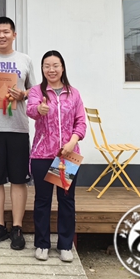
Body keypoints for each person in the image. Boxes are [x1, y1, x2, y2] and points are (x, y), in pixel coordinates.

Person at [0, 16, 35, 250]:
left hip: (18, 128)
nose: (2, 35)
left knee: (19, 179)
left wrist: (24, 94)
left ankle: (17, 227)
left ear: (14, 34)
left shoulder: (25, 60)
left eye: (6, 31)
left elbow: (35, 90)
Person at [26, 50, 87, 262]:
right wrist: (40, 109)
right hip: (42, 154)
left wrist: (72, 142)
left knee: (66, 201)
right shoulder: (37, 91)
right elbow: (31, 110)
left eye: (55, 65)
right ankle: (42, 244)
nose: (51, 70)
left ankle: (65, 245)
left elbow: (81, 122)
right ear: (42, 69)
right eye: (47, 66)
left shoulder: (74, 93)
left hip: (67, 155)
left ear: (62, 68)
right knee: (42, 201)